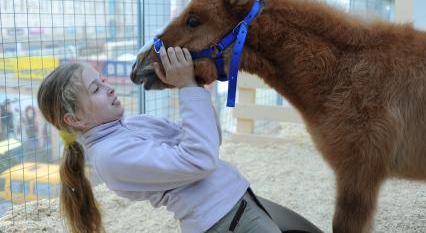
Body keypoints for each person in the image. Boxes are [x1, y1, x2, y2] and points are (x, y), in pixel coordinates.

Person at [37, 46, 281, 233]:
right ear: (75, 119)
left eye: (103, 80)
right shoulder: (110, 157)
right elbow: (200, 159)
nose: (109, 87)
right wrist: (187, 87)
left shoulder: (133, 125)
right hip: (224, 221)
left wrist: (194, 82)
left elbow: (208, 141)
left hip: (237, 204)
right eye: (95, 89)